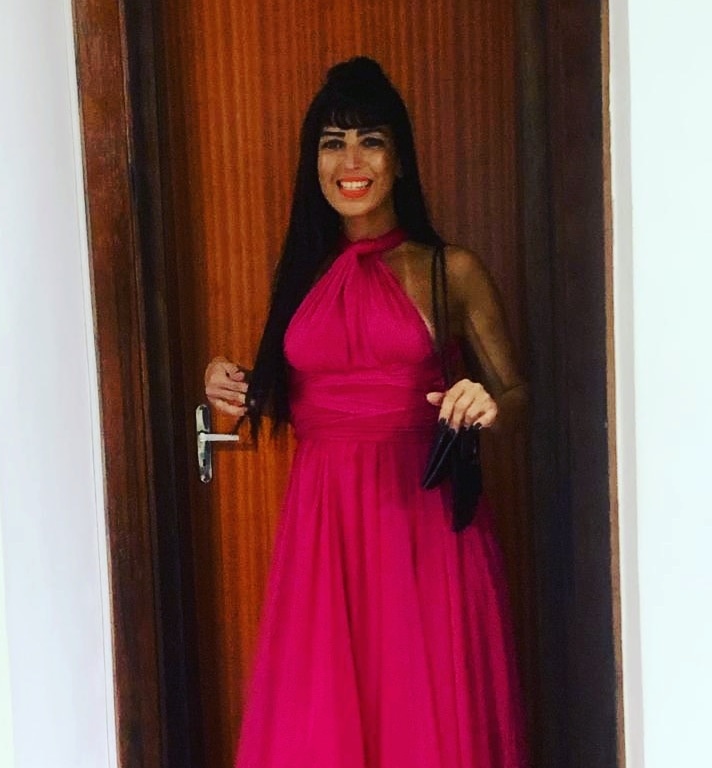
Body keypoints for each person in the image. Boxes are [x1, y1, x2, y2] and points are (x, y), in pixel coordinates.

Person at [205, 56, 528, 768]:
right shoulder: (304, 274)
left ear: (400, 161)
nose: (350, 161)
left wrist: (487, 404)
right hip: (323, 528)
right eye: (333, 143)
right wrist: (225, 381)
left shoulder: (451, 269)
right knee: (320, 719)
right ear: (314, 164)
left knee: (423, 715)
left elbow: (517, 394)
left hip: (425, 524)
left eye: (371, 141)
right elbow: (292, 398)